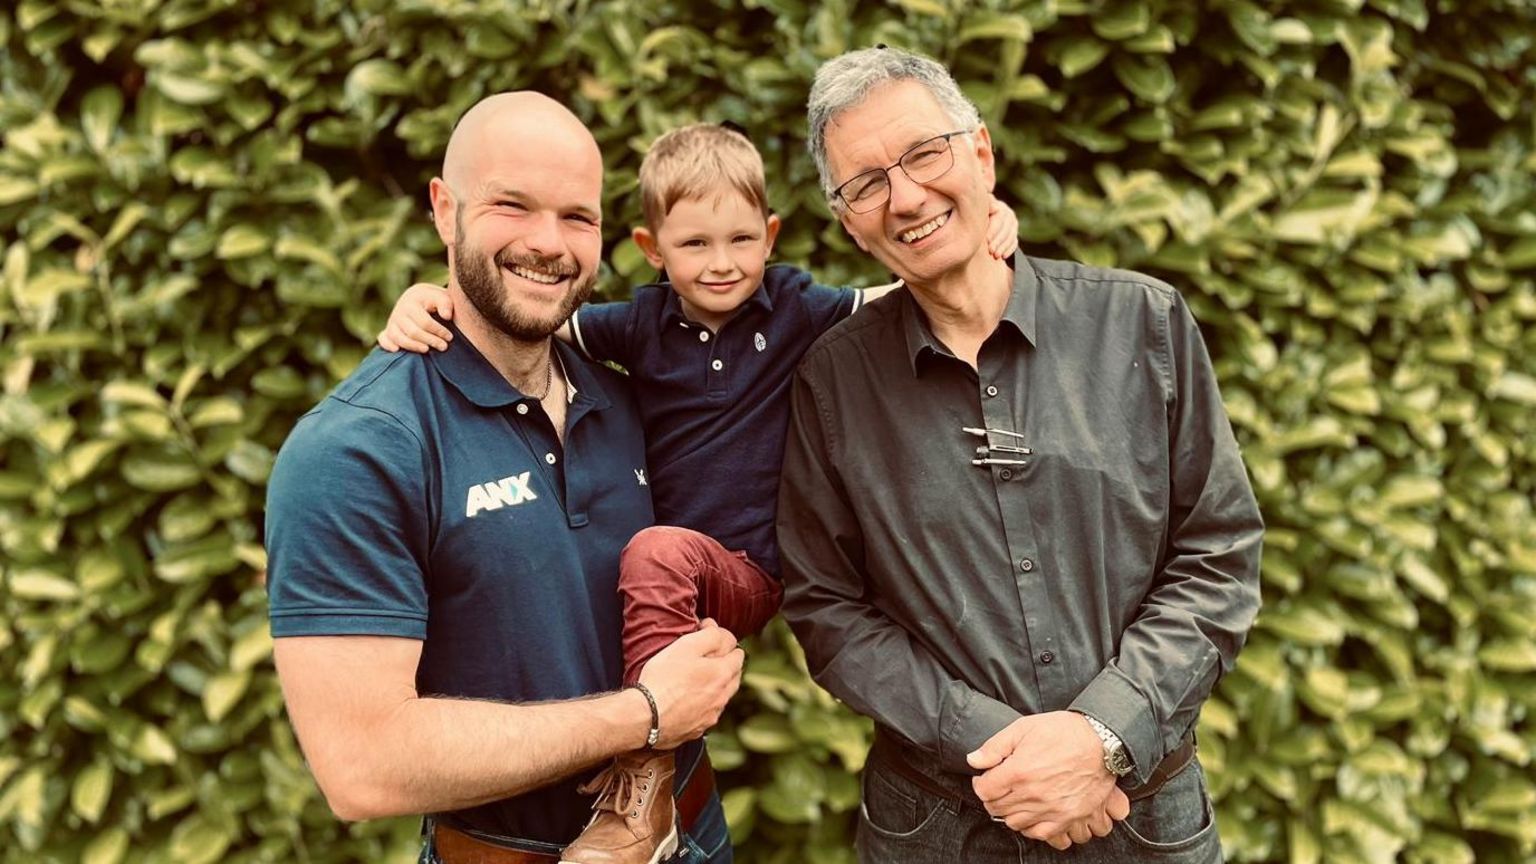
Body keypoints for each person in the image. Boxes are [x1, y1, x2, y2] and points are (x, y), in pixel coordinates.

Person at [377, 121, 1019, 863]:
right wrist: (432, 299)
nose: (723, 264)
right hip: (664, 587)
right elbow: (527, 316)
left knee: (652, 550)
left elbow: (905, 288)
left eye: (742, 241)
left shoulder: (794, 310)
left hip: (745, 568)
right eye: (695, 246)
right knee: (639, 560)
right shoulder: (641, 325)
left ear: (771, 236)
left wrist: (984, 230)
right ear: (652, 249)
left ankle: (646, 776)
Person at [776, 47, 1265, 864]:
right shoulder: (832, 379)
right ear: (848, 223)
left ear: (981, 152)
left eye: (924, 154)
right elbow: (827, 607)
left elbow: (1217, 554)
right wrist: (998, 749)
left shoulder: (1143, 325)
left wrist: (1102, 733)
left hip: (1140, 818)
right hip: (935, 827)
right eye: (865, 185)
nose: (905, 198)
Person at [263, 93, 745, 864]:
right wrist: (647, 714)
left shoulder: (629, 395)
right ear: (443, 208)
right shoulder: (355, 450)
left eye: (576, 217)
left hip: (697, 836)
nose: (548, 244)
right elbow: (363, 767)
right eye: (511, 206)